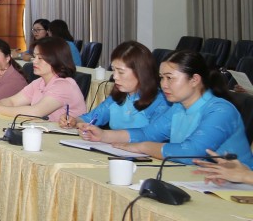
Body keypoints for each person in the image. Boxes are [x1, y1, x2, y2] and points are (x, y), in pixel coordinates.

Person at [82, 50, 253, 166]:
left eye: (170, 78)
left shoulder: (221, 111)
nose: (163, 84)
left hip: (239, 189)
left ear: (194, 80)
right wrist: (104, 135)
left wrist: (143, 147)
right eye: (161, 78)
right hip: (200, 180)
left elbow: (192, 152)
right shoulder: (178, 107)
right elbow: (148, 133)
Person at [60, 41, 168, 131]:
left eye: (121, 72)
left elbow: (151, 136)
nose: (115, 76)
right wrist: (74, 121)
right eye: (113, 70)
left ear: (141, 72)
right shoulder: (118, 96)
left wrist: (106, 136)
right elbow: (92, 117)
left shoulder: (160, 102)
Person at [0, 37, 86, 121]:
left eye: (40, 58)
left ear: (55, 59)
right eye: (34, 56)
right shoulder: (39, 82)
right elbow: (12, 101)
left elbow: (36, 112)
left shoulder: (63, 85)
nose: (34, 61)